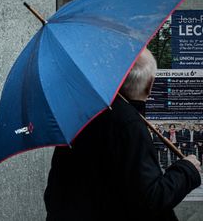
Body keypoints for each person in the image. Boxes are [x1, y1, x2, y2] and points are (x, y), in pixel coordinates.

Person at [44, 48, 201, 221]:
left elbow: (54, 195)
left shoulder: (82, 117)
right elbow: (151, 200)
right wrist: (187, 170)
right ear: (150, 85)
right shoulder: (128, 125)